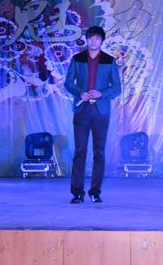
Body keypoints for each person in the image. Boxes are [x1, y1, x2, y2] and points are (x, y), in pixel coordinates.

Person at [64, 26, 121, 204]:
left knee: (99, 152)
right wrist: (79, 93)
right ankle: (77, 193)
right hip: (82, 110)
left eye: (97, 38)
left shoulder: (109, 61)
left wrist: (101, 93)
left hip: (100, 112)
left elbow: (117, 88)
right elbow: (68, 83)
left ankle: (95, 192)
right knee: (80, 152)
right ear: (87, 40)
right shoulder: (77, 59)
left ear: (102, 40)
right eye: (90, 38)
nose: (93, 41)